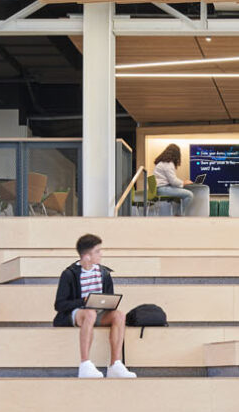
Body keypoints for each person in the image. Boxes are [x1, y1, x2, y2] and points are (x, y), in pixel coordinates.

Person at [53, 233, 137, 378]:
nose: (101, 254)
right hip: (78, 314)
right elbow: (59, 304)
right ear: (86, 256)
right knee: (90, 313)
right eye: (97, 251)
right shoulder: (69, 274)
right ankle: (85, 364)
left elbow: (109, 298)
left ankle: (115, 364)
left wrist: (108, 303)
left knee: (119, 315)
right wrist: (83, 301)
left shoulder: (104, 273)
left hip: (99, 313)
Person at [152, 143, 194, 214]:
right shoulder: (168, 164)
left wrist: (182, 183)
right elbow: (173, 181)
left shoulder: (162, 163)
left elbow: (172, 180)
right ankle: (179, 215)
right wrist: (184, 183)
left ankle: (177, 214)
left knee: (182, 193)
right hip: (163, 189)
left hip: (159, 188)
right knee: (189, 195)